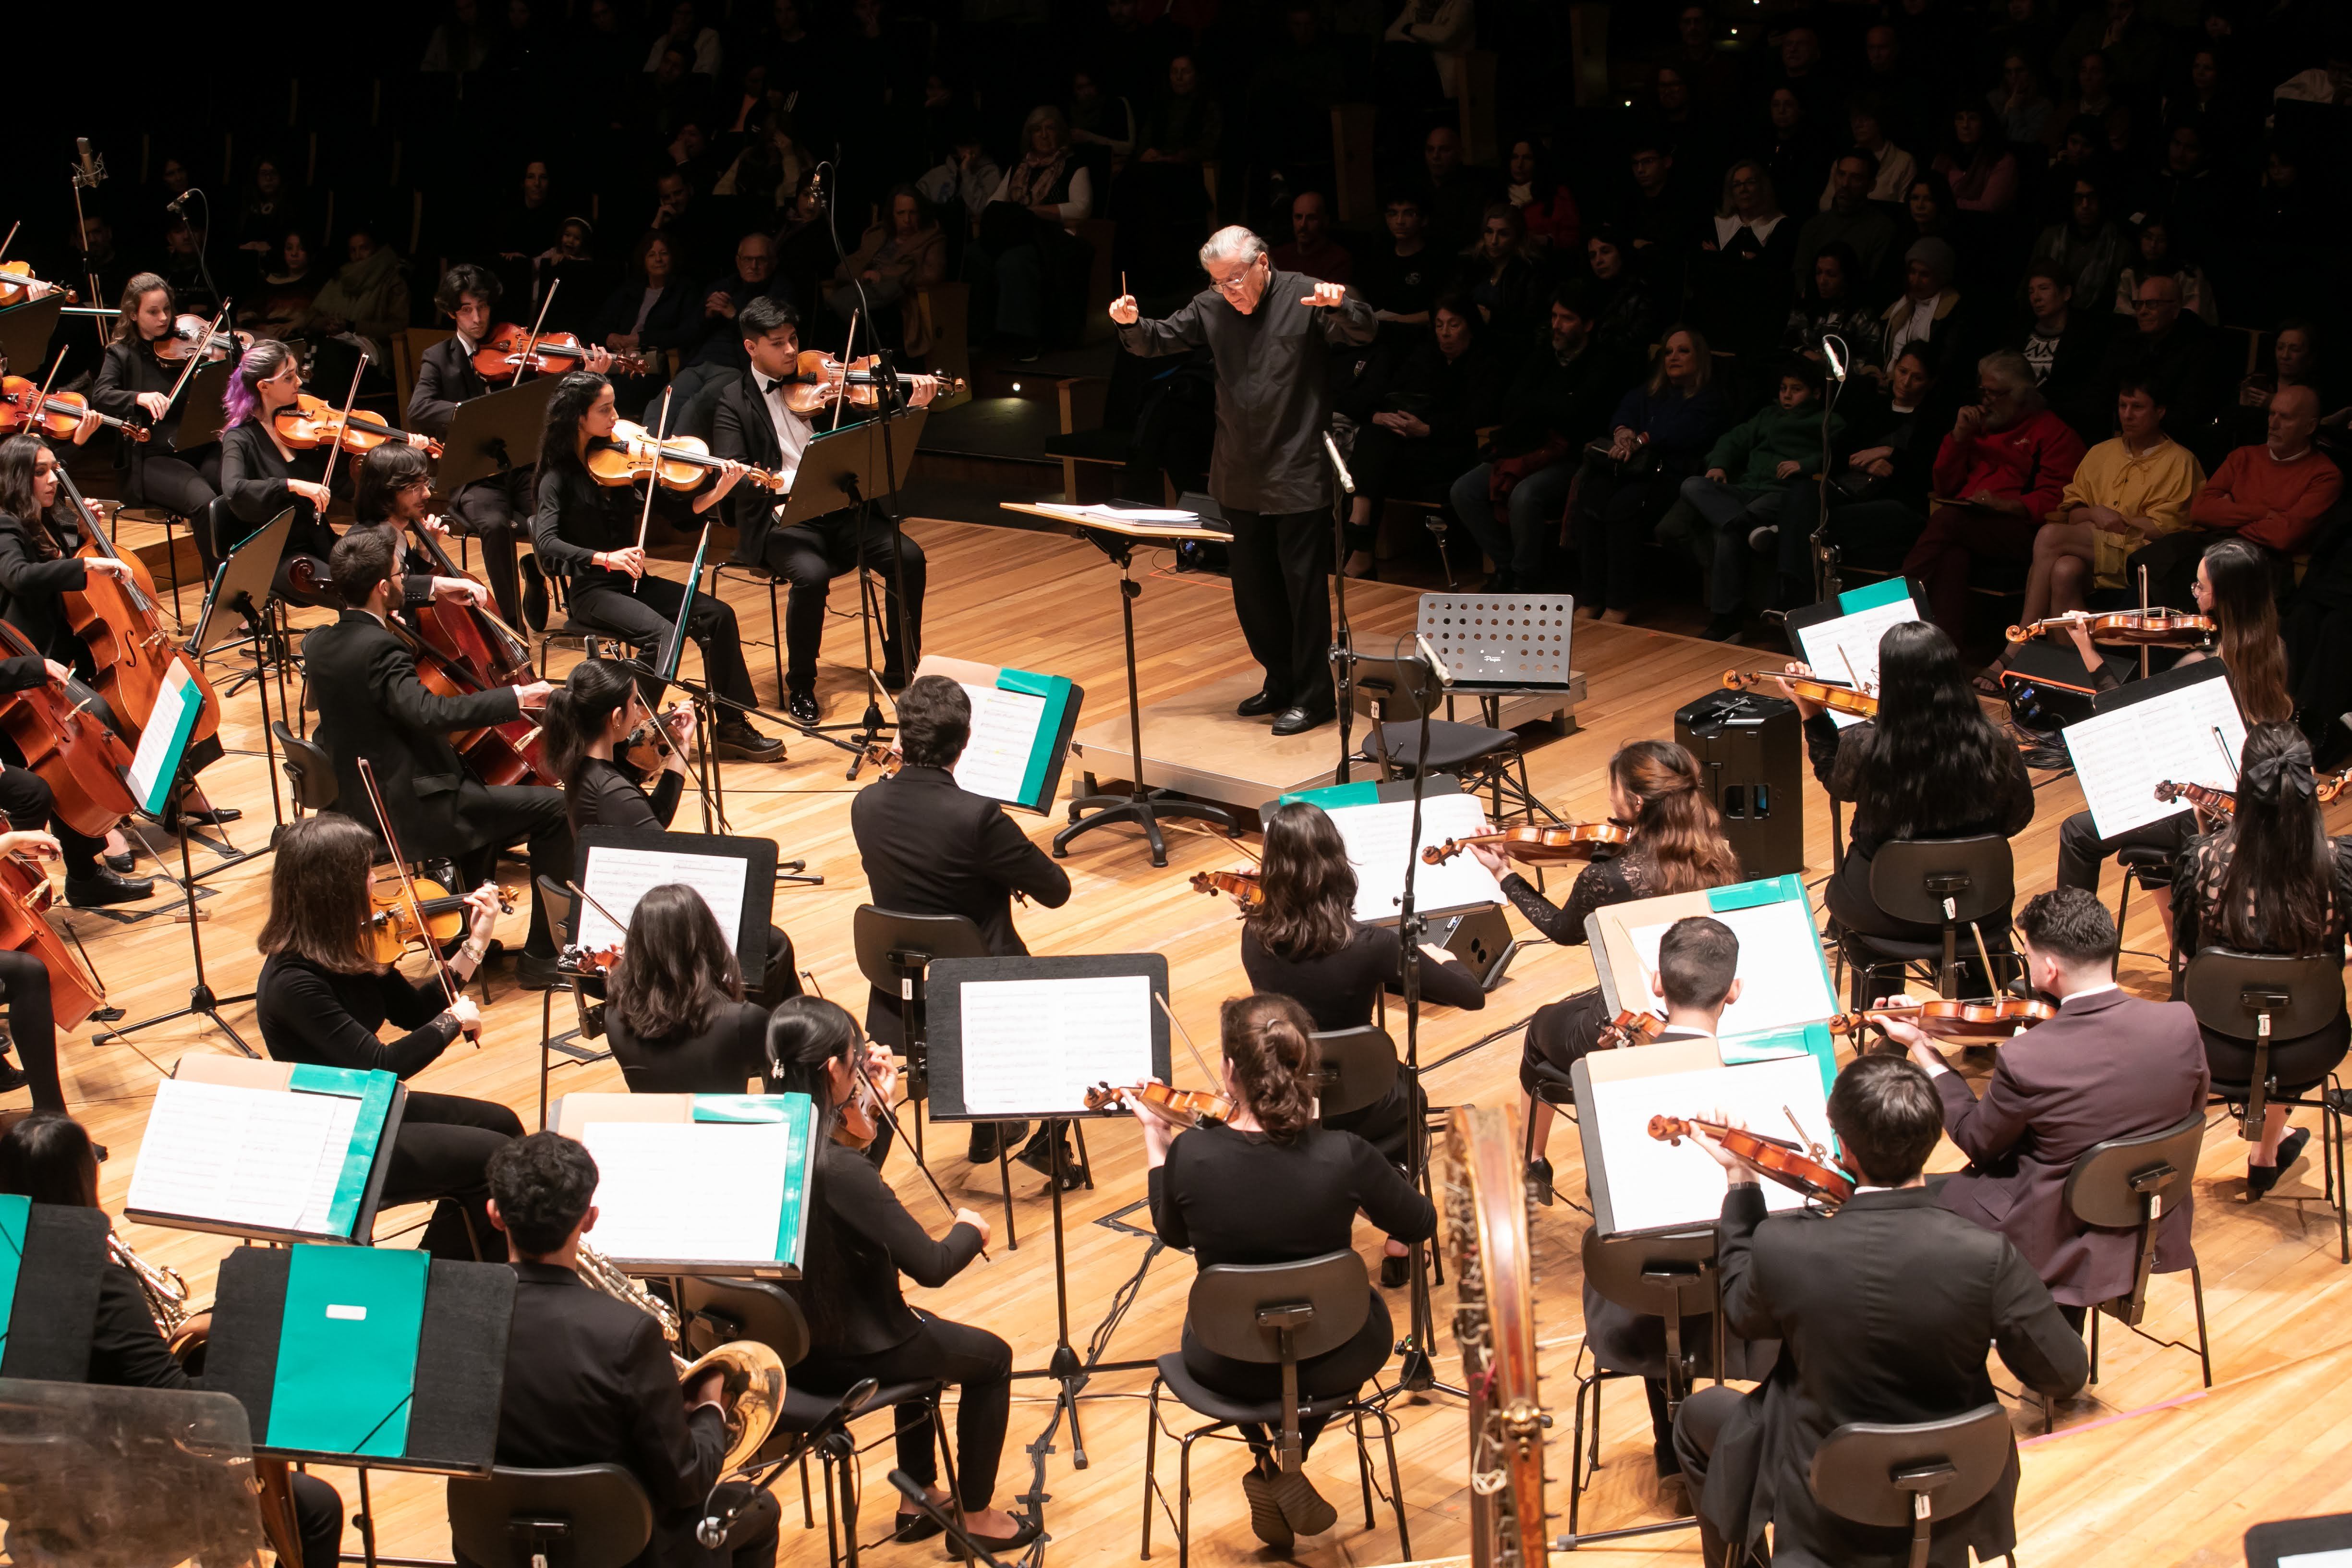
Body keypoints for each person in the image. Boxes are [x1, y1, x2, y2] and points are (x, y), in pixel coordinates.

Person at [1671, 1055, 2088, 1568]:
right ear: (1934, 1136)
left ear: (1842, 1145)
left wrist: (1741, 1184)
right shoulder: (1986, 1254)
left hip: (1821, 1492)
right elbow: (2064, 1372)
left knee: (1697, 1414)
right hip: (1950, 1487)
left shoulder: (1783, 1246)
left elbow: (1740, 1314)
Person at [1137, 992, 1435, 1550]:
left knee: (1230, 1320)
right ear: (1306, 1069)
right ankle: (1284, 1469)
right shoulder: (1344, 1154)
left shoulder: (1192, 1155)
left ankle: (1267, 1461)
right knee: (1347, 1318)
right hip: (1335, 1352)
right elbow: (1418, 1223)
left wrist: (1158, 1145)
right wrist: (1361, 1193)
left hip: (1224, 1359)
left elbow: (1172, 1234)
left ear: (1228, 1072)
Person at [0, 1113, 349, 1568]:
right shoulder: (98, 1286)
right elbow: (186, 1411)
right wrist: (246, 1338)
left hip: (30, 1483)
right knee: (315, 1508)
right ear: (80, 1177)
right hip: (105, 1496)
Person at [764, 997, 1035, 1551]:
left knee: (927, 1330)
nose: (861, 1066)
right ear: (833, 1070)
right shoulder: (836, 1166)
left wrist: (877, 1109)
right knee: (990, 1358)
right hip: (855, 1349)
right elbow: (931, 1265)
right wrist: (968, 1229)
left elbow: (854, 1191)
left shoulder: (764, 1134)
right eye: (853, 1060)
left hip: (789, 1346)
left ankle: (917, 1496)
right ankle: (977, 1517)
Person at [1881, 887, 2205, 1320]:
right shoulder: (2180, 1022)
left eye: (2029, 955)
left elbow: (1978, 1140)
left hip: (2056, 1233)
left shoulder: (2028, 1057)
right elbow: (2190, 1111)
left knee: (1904, 1200)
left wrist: (1925, 1050)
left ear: (2049, 968)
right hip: (2147, 1215)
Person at [1110, 227, 1375, 734]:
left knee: (1302, 590)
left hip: (1296, 470)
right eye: (1217, 282)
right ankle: (1279, 681)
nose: (1229, 291)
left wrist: (1341, 306)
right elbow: (1158, 338)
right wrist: (1130, 323)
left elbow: (1361, 331)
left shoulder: (1304, 292)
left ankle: (1314, 694)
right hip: (1237, 472)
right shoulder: (1211, 306)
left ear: (1262, 263)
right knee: (1253, 590)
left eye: (1235, 278)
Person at [478, 1131, 781, 1568]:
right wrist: (710, 1405)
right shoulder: (627, 1333)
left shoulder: (456, 1310)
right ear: (590, 1218)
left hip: (494, 1544)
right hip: (624, 1552)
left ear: (495, 1215)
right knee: (758, 1507)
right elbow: (688, 1480)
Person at [303, 529, 570, 985]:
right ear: (381, 588)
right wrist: (516, 696)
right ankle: (543, 956)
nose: (403, 580)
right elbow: (429, 712)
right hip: (415, 807)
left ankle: (466, 938)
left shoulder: (319, 643)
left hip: (361, 802)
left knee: (488, 802)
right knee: (556, 810)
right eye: (398, 574)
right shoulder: (381, 647)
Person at [1237, 800, 1483, 1284]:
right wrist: (1441, 956)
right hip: (1363, 1100)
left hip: (1286, 1095)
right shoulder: (1369, 945)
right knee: (1411, 1096)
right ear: (1335, 864)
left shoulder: (1252, 936)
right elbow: (1469, 996)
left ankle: (1364, 1208)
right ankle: (1399, 1223)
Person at [254, 815, 520, 1260]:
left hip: (370, 1104)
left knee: (504, 1125)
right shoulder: (293, 983)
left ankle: (453, 1256)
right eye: (365, 872)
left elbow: (413, 1012)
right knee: (494, 1156)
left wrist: (476, 940)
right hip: (334, 1135)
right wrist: (452, 1022)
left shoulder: (349, 945)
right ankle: (447, 1275)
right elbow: (383, 1064)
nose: (376, 880)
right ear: (333, 888)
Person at [1581, 917, 1777, 1479]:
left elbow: (1605, 1194)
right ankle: (1764, 1441)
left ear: (1659, 989)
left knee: (1642, 1248)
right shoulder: (1765, 1072)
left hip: (1638, 1298)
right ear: (1733, 990)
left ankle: (1672, 1449)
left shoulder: (1606, 1076)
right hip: (1741, 1296)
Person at [1499, 740, 1743, 1187]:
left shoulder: (1607, 879)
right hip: (1703, 1003)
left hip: (1631, 1016)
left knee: (1541, 1025)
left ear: (1634, 801)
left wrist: (1505, 877)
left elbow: (1562, 929)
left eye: (1612, 789)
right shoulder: (1716, 854)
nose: (1608, 799)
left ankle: (1533, 1163)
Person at [849, 676, 1068, 1170]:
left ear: (900, 740)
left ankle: (989, 1127)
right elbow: (1055, 890)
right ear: (965, 742)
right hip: (979, 991)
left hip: (899, 988)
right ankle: (1035, 1140)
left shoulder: (865, 804)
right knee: (1065, 1006)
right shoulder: (977, 817)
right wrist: (995, 868)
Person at [530, 371, 784, 760]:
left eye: (614, 405)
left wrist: (721, 488)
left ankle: (731, 724)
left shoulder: (621, 460)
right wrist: (604, 557)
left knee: (718, 615)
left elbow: (680, 512)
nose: (616, 416)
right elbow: (546, 541)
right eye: (605, 409)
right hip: (592, 590)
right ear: (578, 418)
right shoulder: (557, 477)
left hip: (634, 581)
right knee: (665, 634)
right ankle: (628, 735)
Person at [2046, 537, 2293, 934]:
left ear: (2224, 596)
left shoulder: (2208, 665)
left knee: (2078, 831)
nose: (2193, 595)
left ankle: (2071, 949)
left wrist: (2087, 648)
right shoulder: (2271, 650)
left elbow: (2128, 714)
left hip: (2203, 811)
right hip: (2251, 806)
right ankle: (2181, 937)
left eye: (2200, 588)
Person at [706, 296, 934, 724]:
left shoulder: (828, 385)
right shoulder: (732, 402)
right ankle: (802, 685)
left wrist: (912, 405)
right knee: (810, 577)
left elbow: (869, 440)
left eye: (794, 339)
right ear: (752, 348)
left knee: (908, 557)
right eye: (778, 343)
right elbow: (734, 471)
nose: (792, 351)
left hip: (842, 510)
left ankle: (903, 664)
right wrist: (775, 479)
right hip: (783, 520)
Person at [1784, 621, 2036, 1002]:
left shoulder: (1867, 744)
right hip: (1979, 903)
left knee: (1858, 892)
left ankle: (1884, 1022)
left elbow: (1837, 783)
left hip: (1885, 910)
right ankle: (1979, 1012)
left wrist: (1812, 714)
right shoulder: (1996, 742)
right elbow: (2018, 817)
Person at [540, 657, 802, 1002]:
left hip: (613, 920)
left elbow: (652, 815)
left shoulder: (580, 768)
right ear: (617, 718)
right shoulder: (612, 790)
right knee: (771, 947)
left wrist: (681, 746)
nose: (640, 714)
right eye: (635, 703)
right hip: (641, 941)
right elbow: (669, 864)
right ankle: (760, 1041)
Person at [2172, 722, 2352, 1194]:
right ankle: (2266, 1152)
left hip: (2214, 1044)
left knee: (2230, 993)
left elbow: (2192, 951)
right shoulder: (2340, 864)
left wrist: (2203, 834)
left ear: (2243, 786)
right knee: (2296, 1000)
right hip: (2308, 1047)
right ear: (2307, 784)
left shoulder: (2201, 860)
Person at [409, 264, 609, 626]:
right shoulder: (438, 358)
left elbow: (555, 397)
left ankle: (562, 588)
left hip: (521, 466)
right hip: (474, 475)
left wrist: (592, 378)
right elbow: (419, 408)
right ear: (453, 312)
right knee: (495, 523)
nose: (477, 318)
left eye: (482, 307)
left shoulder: (516, 348)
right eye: (467, 310)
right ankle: (512, 627)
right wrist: (469, 413)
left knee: (560, 509)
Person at [220, 340, 428, 606]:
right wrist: (291, 485)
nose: (299, 383)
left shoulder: (304, 426)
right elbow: (234, 489)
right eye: (289, 377)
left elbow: (342, 480)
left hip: (321, 539)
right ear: (264, 387)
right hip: (280, 553)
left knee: (380, 581)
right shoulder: (240, 438)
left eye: (297, 373)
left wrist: (399, 454)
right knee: (359, 592)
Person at [1900, 350, 2086, 641]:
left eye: (1994, 393)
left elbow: (2060, 500)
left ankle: (1895, 606)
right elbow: (1946, 487)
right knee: (1951, 555)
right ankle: (1945, 652)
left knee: (1948, 522)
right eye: (1982, 390)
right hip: (1971, 521)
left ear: (2021, 394)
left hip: (2025, 531)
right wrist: (1959, 436)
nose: (1985, 399)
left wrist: (2008, 505)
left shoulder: (2055, 434)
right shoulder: (1979, 426)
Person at [1441, 287, 1613, 591]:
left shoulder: (1601, 361)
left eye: (1567, 319)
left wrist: (1541, 404)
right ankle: (1505, 566)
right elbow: (1512, 401)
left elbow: (1578, 413)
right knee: (1463, 490)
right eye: (1555, 317)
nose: (1557, 325)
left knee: (1525, 495)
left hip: (1571, 456)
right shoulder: (1544, 353)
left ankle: (1525, 579)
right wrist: (1555, 403)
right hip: (1525, 446)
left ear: (1588, 325)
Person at [2009, 379, 2204, 629]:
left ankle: (2024, 633)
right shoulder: (2101, 452)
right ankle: (2074, 662)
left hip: (2141, 555)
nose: (2128, 415)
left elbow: (2169, 528)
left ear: (2160, 412)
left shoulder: (2180, 461)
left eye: (2138, 407)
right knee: (2064, 570)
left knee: (2049, 535)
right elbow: (2072, 512)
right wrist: (2095, 514)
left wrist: (2115, 521)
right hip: (2093, 548)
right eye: (2123, 406)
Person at [1573, 327, 1732, 624]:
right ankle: (1592, 597)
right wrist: (1623, 433)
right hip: (1630, 467)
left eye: (1684, 351)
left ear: (1700, 357)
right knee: (1592, 497)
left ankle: (1619, 602)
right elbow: (1625, 411)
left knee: (1624, 508)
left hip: (1670, 473)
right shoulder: (1651, 391)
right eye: (1669, 351)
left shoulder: (1709, 399)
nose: (1674, 357)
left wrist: (1642, 440)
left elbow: (1684, 434)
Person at [1675, 358, 1842, 641]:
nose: (1787, 395)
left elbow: (1839, 456)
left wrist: (1804, 464)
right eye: (1783, 388)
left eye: (1796, 389)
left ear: (1815, 393)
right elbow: (1732, 440)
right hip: (1745, 490)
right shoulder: (1767, 416)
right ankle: (1749, 527)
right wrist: (1719, 464)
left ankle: (1727, 622)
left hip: (1782, 495)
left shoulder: (1828, 421)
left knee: (1728, 533)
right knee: (1692, 484)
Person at [1770, 343, 1943, 610]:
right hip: (1851, 491)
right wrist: (1866, 463)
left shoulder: (1933, 419)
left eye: (1916, 377)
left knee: (1811, 523)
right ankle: (1795, 596)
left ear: (1930, 383)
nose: (1906, 382)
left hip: (1901, 505)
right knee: (1802, 493)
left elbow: (1927, 469)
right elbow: (1839, 454)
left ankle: (1795, 597)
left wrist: (1891, 454)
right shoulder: (1873, 408)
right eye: (1903, 371)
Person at [1342, 294, 1501, 580]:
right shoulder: (1427, 355)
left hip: (1454, 448)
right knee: (1375, 433)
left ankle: (1360, 536)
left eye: (1453, 325)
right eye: (1439, 325)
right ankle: (1362, 530)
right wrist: (1382, 416)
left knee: (1376, 453)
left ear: (1470, 326)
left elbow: (1478, 418)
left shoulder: (1486, 362)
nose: (1445, 333)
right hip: (1411, 441)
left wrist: (1429, 429)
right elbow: (1393, 393)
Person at [2137, 384, 2340, 608]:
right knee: (2163, 556)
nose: (2273, 424)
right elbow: (2201, 510)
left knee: (2223, 573)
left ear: (2310, 426)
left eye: (2286, 417)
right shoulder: (2244, 457)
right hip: (2219, 542)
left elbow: (2285, 535)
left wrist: (2230, 513)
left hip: (2267, 558)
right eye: (2272, 414)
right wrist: (2263, 514)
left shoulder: (2325, 475)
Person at [88, 275, 222, 549]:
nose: (163, 318)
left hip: (197, 447)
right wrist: (140, 397)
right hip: (150, 458)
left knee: (237, 487)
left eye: (167, 309)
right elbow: (101, 396)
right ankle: (225, 584)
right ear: (133, 314)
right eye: (153, 312)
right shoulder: (122, 353)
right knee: (205, 502)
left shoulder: (186, 346)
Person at [602, 882, 772, 1094]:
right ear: (708, 939)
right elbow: (784, 1086)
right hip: (725, 1127)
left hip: (654, 1127)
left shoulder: (614, 1019)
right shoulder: (743, 1020)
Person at [2014, 262, 2111, 441]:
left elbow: (2086, 392)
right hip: (2017, 422)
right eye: (2031, 291)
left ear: (2066, 293)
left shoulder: (2087, 336)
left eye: (2043, 289)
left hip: (2064, 426)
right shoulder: (2019, 331)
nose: (2036, 297)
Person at [1791, 153, 1899, 286]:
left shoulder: (1882, 230)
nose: (1845, 184)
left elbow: (1876, 285)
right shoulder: (1814, 226)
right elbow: (1800, 278)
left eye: (1856, 178)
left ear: (1871, 185)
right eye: (1841, 174)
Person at [1781, 241, 1883, 373]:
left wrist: (1827, 364)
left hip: (1840, 386)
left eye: (1831, 275)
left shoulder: (1862, 317)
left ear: (1847, 277)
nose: (1823, 281)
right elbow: (1785, 346)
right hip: (1798, 379)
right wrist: (1804, 353)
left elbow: (1869, 366)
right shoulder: (1806, 307)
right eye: (1819, 273)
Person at [1268, 190, 1352, 285]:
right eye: (1298, 217)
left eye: (1311, 218)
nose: (1303, 225)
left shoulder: (1338, 260)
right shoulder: (1278, 256)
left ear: (1325, 221)